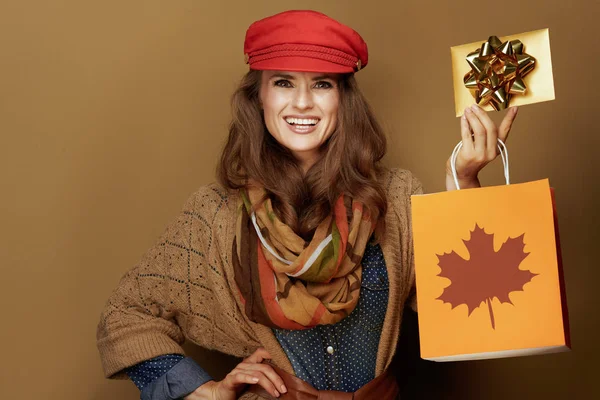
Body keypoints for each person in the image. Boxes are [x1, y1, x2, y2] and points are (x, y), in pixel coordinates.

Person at [96, 9, 517, 400]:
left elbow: (469, 309)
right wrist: (198, 389)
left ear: (343, 99)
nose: (302, 103)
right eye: (283, 82)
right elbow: (126, 315)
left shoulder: (396, 196)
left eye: (321, 84)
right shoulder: (214, 214)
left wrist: (465, 180)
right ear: (258, 96)